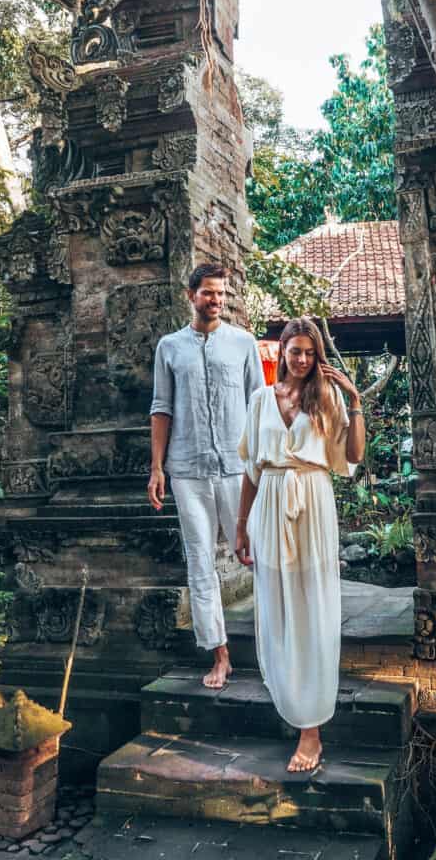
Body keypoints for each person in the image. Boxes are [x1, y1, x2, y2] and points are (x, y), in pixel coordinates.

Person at [235, 317, 365, 772]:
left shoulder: (326, 398)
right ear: (283, 351)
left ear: (317, 356)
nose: (304, 360)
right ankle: (290, 696)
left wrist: (354, 398)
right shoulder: (259, 400)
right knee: (276, 602)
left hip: (311, 500)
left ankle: (311, 730)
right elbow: (251, 469)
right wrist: (240, 525)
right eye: (296, 351)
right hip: (270, 502)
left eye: (311, 353)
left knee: (311, 605)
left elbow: (350, 457)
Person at [148, 262, 264, 688]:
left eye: (221, 293)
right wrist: (157, 468)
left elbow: (259, 407)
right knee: (200, 564)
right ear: (191, 295)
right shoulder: (170, 348)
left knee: (257, 556)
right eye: (208, 293)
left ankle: (276, 649)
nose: (216, 300)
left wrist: (263, 465)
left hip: (237, 470)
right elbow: (161, 408)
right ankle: (220, 655)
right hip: (187, 471)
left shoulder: (243, 344)